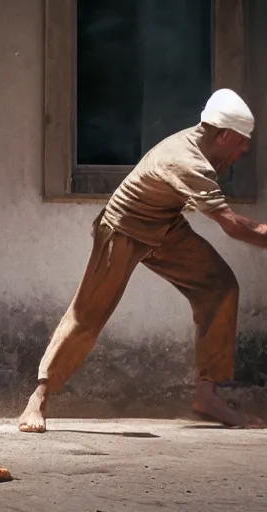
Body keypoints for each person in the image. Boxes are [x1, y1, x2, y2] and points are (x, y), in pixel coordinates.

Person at [19, 88, 267, 433]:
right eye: (241, 143)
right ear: (223, 135)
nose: (242, 152)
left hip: (165, 227)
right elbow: (235, 227)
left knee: (219, 287)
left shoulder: (198, 147)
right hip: (122, 230)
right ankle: (39, 398)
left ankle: (207, 396)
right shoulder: (187, 160)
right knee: (88, 314)